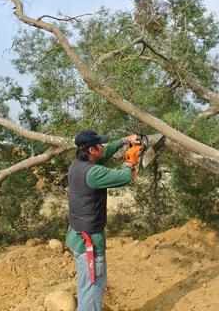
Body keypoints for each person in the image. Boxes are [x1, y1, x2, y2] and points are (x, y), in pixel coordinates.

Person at [66, 129, 139, 311]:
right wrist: (130, 161)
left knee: (87, 286)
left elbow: (104, 154)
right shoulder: (93, 173)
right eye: (100, 145)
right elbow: (124, 177)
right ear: (92, 150)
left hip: (78, 236)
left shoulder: (77, 165)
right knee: (93, 289)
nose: (103, 147)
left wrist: (125, 141)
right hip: (89, 242)